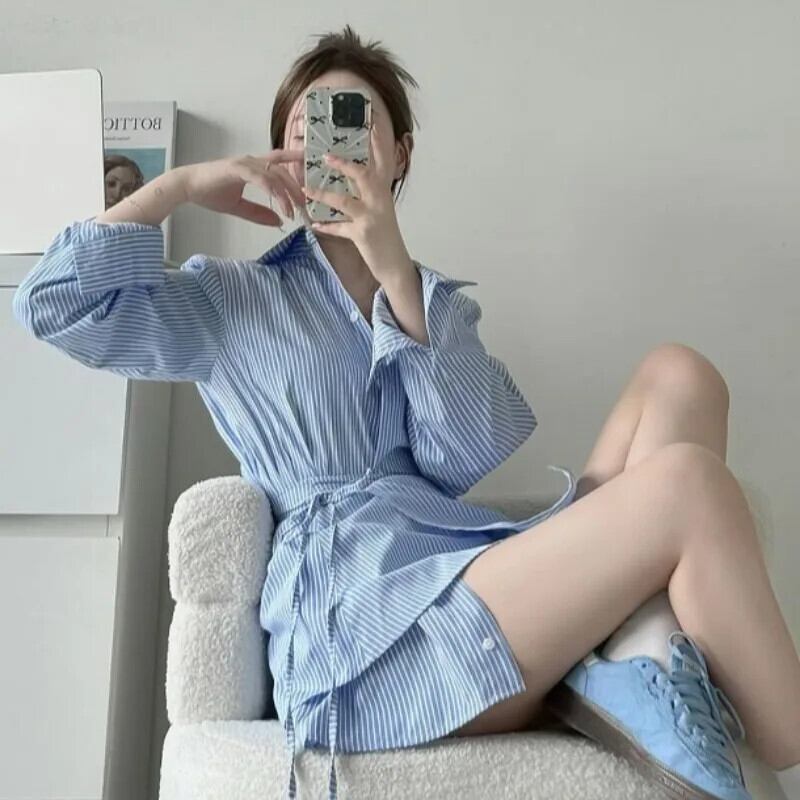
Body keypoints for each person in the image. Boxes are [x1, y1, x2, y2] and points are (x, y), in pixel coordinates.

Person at [12, 24, 800, 800]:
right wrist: (178, 187)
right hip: (363, 625)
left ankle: (630, 656)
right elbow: (51, 304)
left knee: (680, 376)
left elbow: (464, 456)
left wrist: (395, 273)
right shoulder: (233, 297)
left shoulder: (438, 306)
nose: (326, 142)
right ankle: (762, 727)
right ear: (280, 154)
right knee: (688, 483)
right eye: (303, 129)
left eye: (351, 122)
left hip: (456, 563)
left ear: (400, 154)